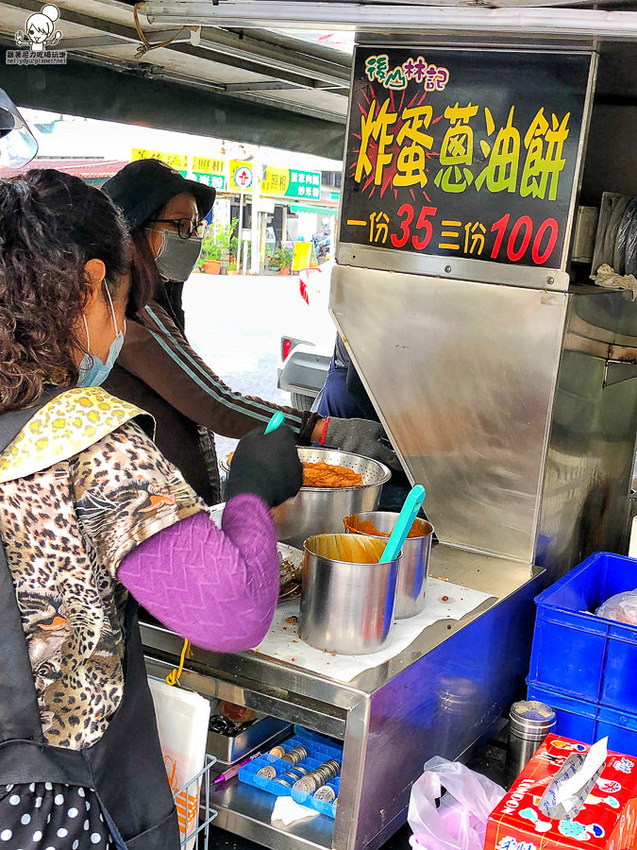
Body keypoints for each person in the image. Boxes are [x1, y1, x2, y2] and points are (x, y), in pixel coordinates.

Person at [0, 168, 303, 849]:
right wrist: (250, 494)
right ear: (89, 286)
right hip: (48, 800)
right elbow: (230, 613)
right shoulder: (83, 434)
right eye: (120, 296)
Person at [102, 159, 398, 505]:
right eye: (181, 226)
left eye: (197, 227)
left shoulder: (149, 300)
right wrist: (320, 429)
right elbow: (215, 401)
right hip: (146, 504)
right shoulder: (129, 311)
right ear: (133, 228)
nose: (193, 239)